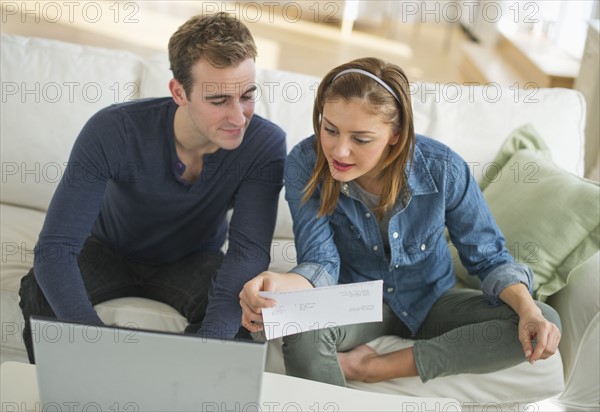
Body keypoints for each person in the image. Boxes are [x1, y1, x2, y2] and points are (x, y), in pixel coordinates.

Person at [239, 57, 561, 386]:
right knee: (299, 325)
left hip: (433, 299)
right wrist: (277, 285)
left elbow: (489, 257)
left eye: (361, 139)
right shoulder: (305, 163)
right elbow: (320, 262)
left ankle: (369, 368)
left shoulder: (444, 169)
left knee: (542, 319)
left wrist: (528, 310)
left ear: (396, 134)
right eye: (330, 129)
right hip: (354, 301)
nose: (339, 150)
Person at [19, 12, 286, 363]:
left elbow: (247, 254)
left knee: (242, 317)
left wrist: (205, 353)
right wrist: (90, 344)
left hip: (193, 261)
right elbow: (55, 249)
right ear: (179, 92)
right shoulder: (113, 130)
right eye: (219, 100)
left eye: (247, 95)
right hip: (106, 252)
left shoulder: (264, 145)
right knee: (41, 292)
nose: (238, 117)